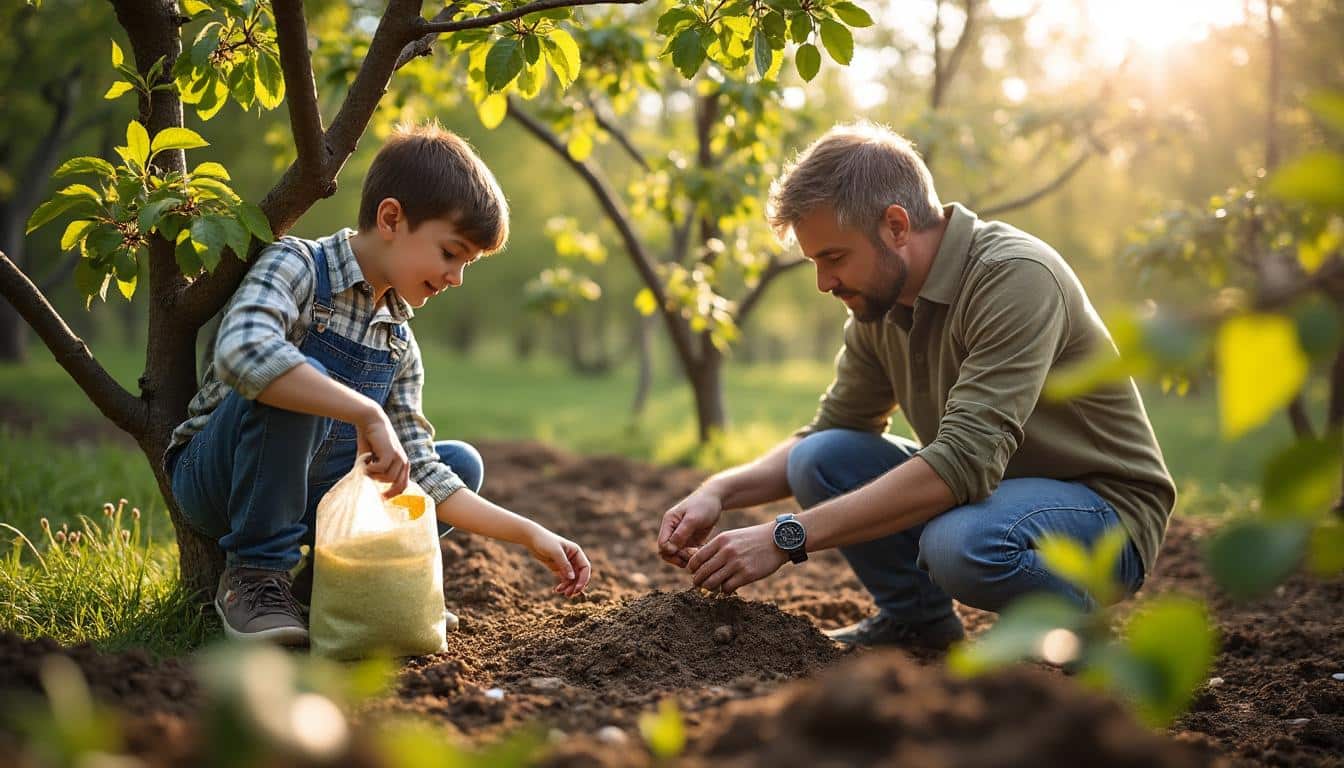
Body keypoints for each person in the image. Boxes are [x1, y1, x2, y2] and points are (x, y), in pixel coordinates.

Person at [657, 122, 1175, 651]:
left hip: (1105, 514)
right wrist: (717, 491)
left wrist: (785, 537)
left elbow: (962, 464)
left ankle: (1084, 638)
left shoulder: (1015, 277)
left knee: (960, 545)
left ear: (896, 226)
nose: (824, 283)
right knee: (821, 456)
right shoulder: (876, 308)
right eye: (815, 263)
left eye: (833, 257)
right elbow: (830, 429)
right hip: (996, 496)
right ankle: (918, 624)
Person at [166, 122, 591, 646]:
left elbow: (428, 476)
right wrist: (365, 414)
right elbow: (243, 352)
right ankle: (254, 578)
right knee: (301, 379)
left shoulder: (398, 342)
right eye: (450, 253)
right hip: (219, 477)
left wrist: (530, 534)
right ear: (391, 218)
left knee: (458, 464)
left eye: (467, 265)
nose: (457, 277)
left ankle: (339, 587)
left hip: (312, 496)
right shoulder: (297, 263)